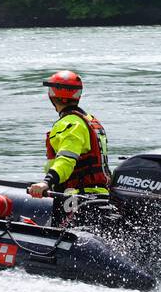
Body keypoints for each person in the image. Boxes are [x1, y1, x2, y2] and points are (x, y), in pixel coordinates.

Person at [27, 70, 110, 199]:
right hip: (98, 194)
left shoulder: (70, 124)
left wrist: (46, 182)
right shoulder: (89, 120)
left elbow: (67, 159)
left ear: (53, 95)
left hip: (78, 197)